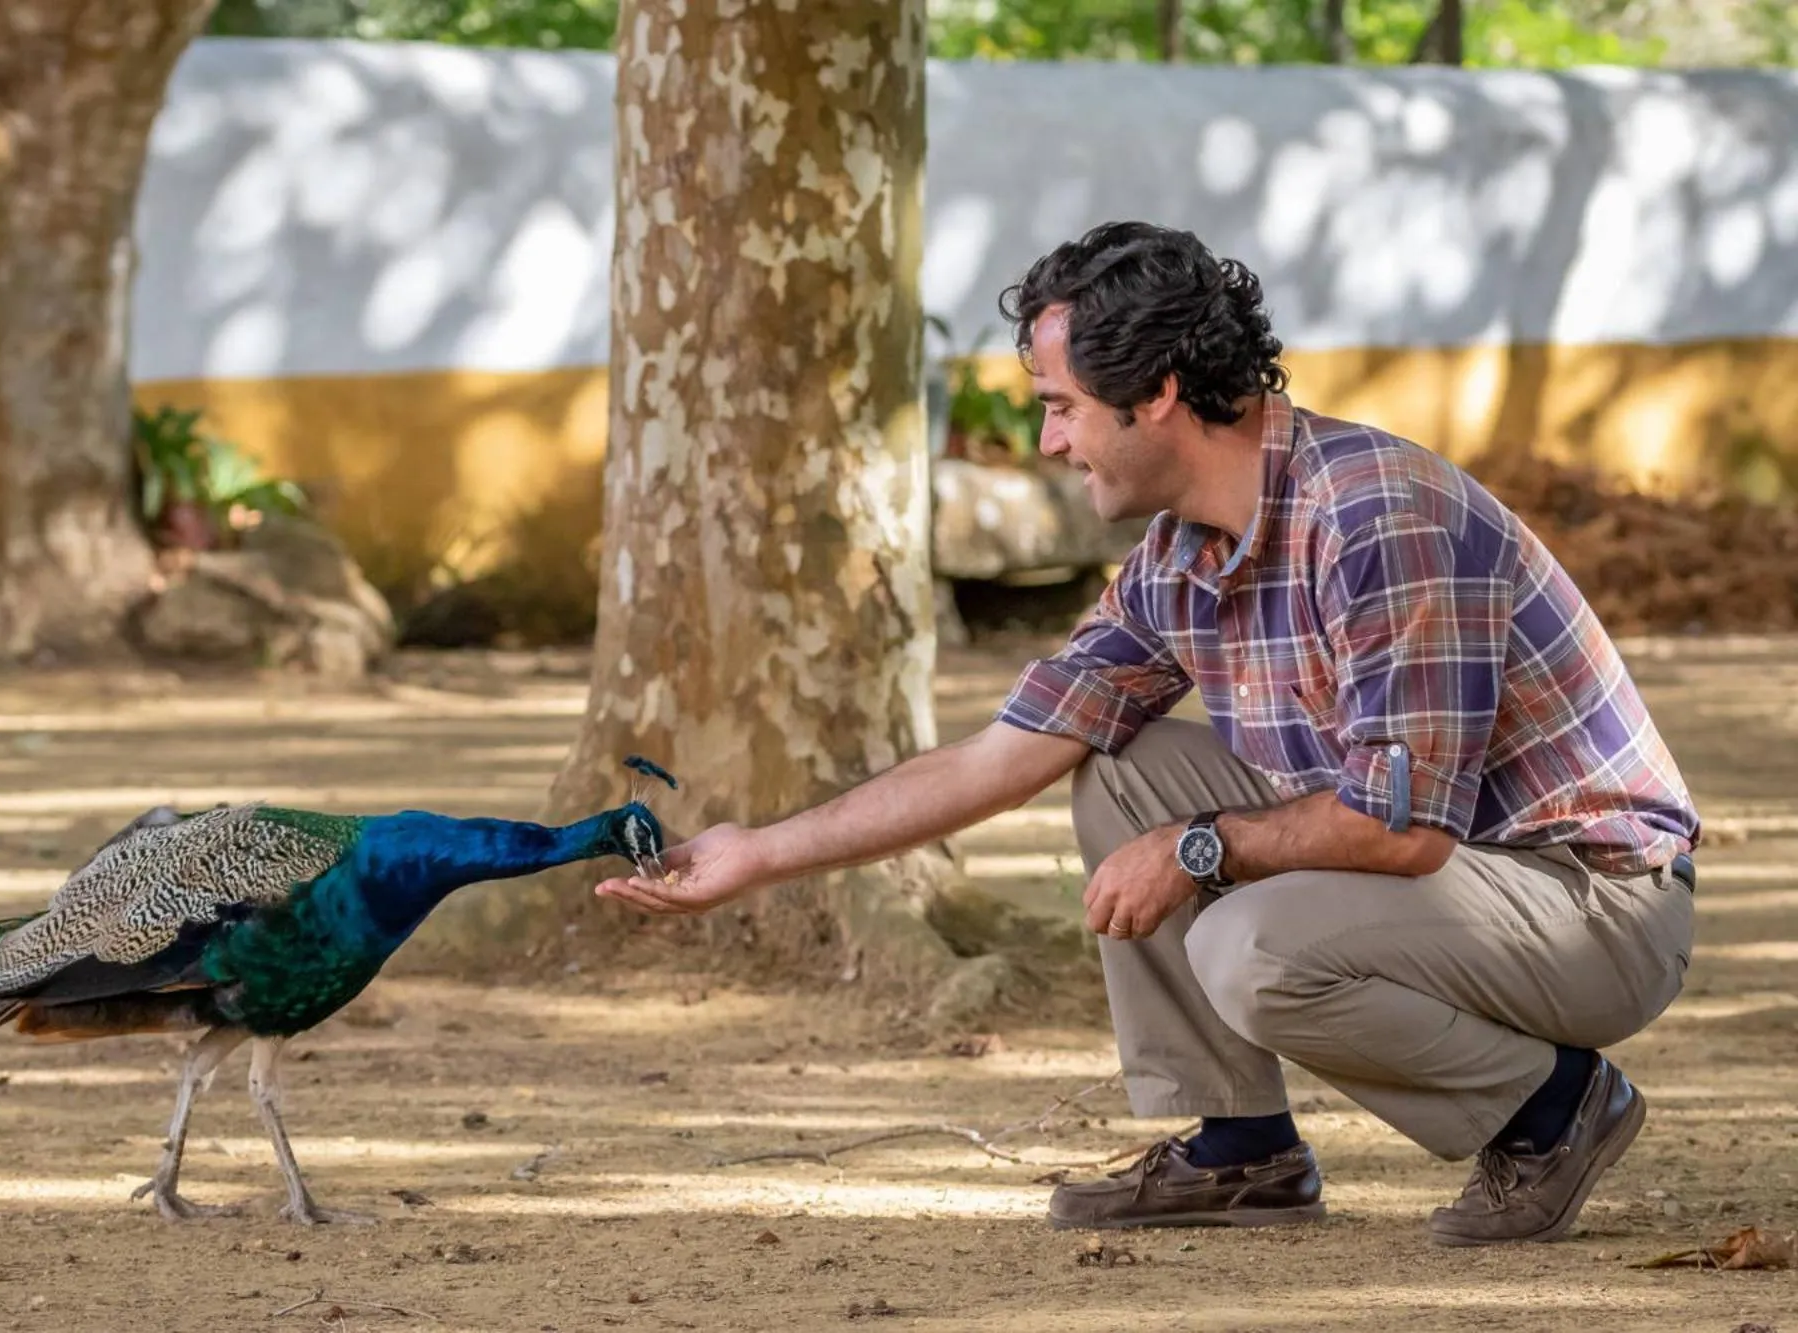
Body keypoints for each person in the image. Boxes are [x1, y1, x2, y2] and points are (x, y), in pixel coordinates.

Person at [594, 220, 1700, 1247]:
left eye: (1062, 404)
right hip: (1460, 876)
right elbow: (1001, 755)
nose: (1047, 439)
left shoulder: (1375, 519)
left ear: (1157, 392)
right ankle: (1242, 1150)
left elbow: (1396, 831)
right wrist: (759, 854)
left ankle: (1554, 1107)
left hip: (1588, 905)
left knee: (1245, 940)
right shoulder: (1174, 557)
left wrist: (1195, 846)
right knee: (1118, 769)